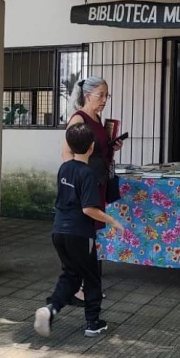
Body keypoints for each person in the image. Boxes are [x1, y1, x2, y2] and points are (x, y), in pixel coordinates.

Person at [36, 122, 124, 338]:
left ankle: (50, 310)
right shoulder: (87, 174)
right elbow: (88, 209)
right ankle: (93, 322)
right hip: (80, 233)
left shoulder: (63, 168)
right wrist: (113, 221)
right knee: (92, 276)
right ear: (92, 147)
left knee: (71, 275)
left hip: (59, 231)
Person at [61, 76, 123, 304]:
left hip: (99, 181)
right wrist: (76, 180)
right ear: (88, 96)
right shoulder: (79, 118)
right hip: (85, 184)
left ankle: (86, 285)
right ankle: (76, 288)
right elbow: (67, 153)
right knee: (82, 235)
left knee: (90, 235)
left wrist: (113, 147)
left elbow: (99, 153)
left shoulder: (97, 119)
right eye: (101, 95)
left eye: (107, 95)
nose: (105, 100)